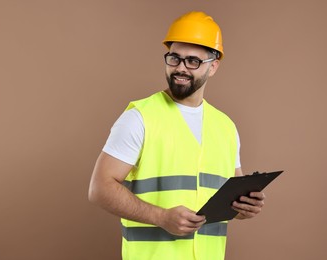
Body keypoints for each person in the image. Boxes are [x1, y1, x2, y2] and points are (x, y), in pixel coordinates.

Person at [88, 11, 265, 260]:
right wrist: (160, 217)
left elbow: (228, 200)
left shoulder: (225, 127)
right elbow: (99, 188)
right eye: (174, 58)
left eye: (193, 61)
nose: (181, 68)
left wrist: (245, 207)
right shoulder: (140, 117)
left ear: (213, 66)